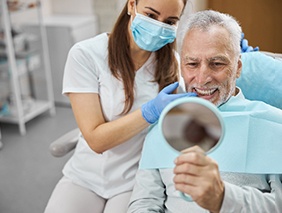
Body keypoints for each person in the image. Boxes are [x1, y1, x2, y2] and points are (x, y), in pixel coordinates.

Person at [44, 0, 193, 213]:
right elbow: (96, 140)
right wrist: (150, 112)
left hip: (135, 180)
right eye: (151, 15)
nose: (159, 26)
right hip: (85, 176)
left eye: (169, 21)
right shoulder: (86, 55)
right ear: (132, 5)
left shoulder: (173, 64)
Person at [127, 10, 282, 212]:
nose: (202, 79)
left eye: (216, 64)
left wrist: (223, 198)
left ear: (238, 68)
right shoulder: (163, 125)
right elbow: (144, 202)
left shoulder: (274, 126)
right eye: (192, 64)